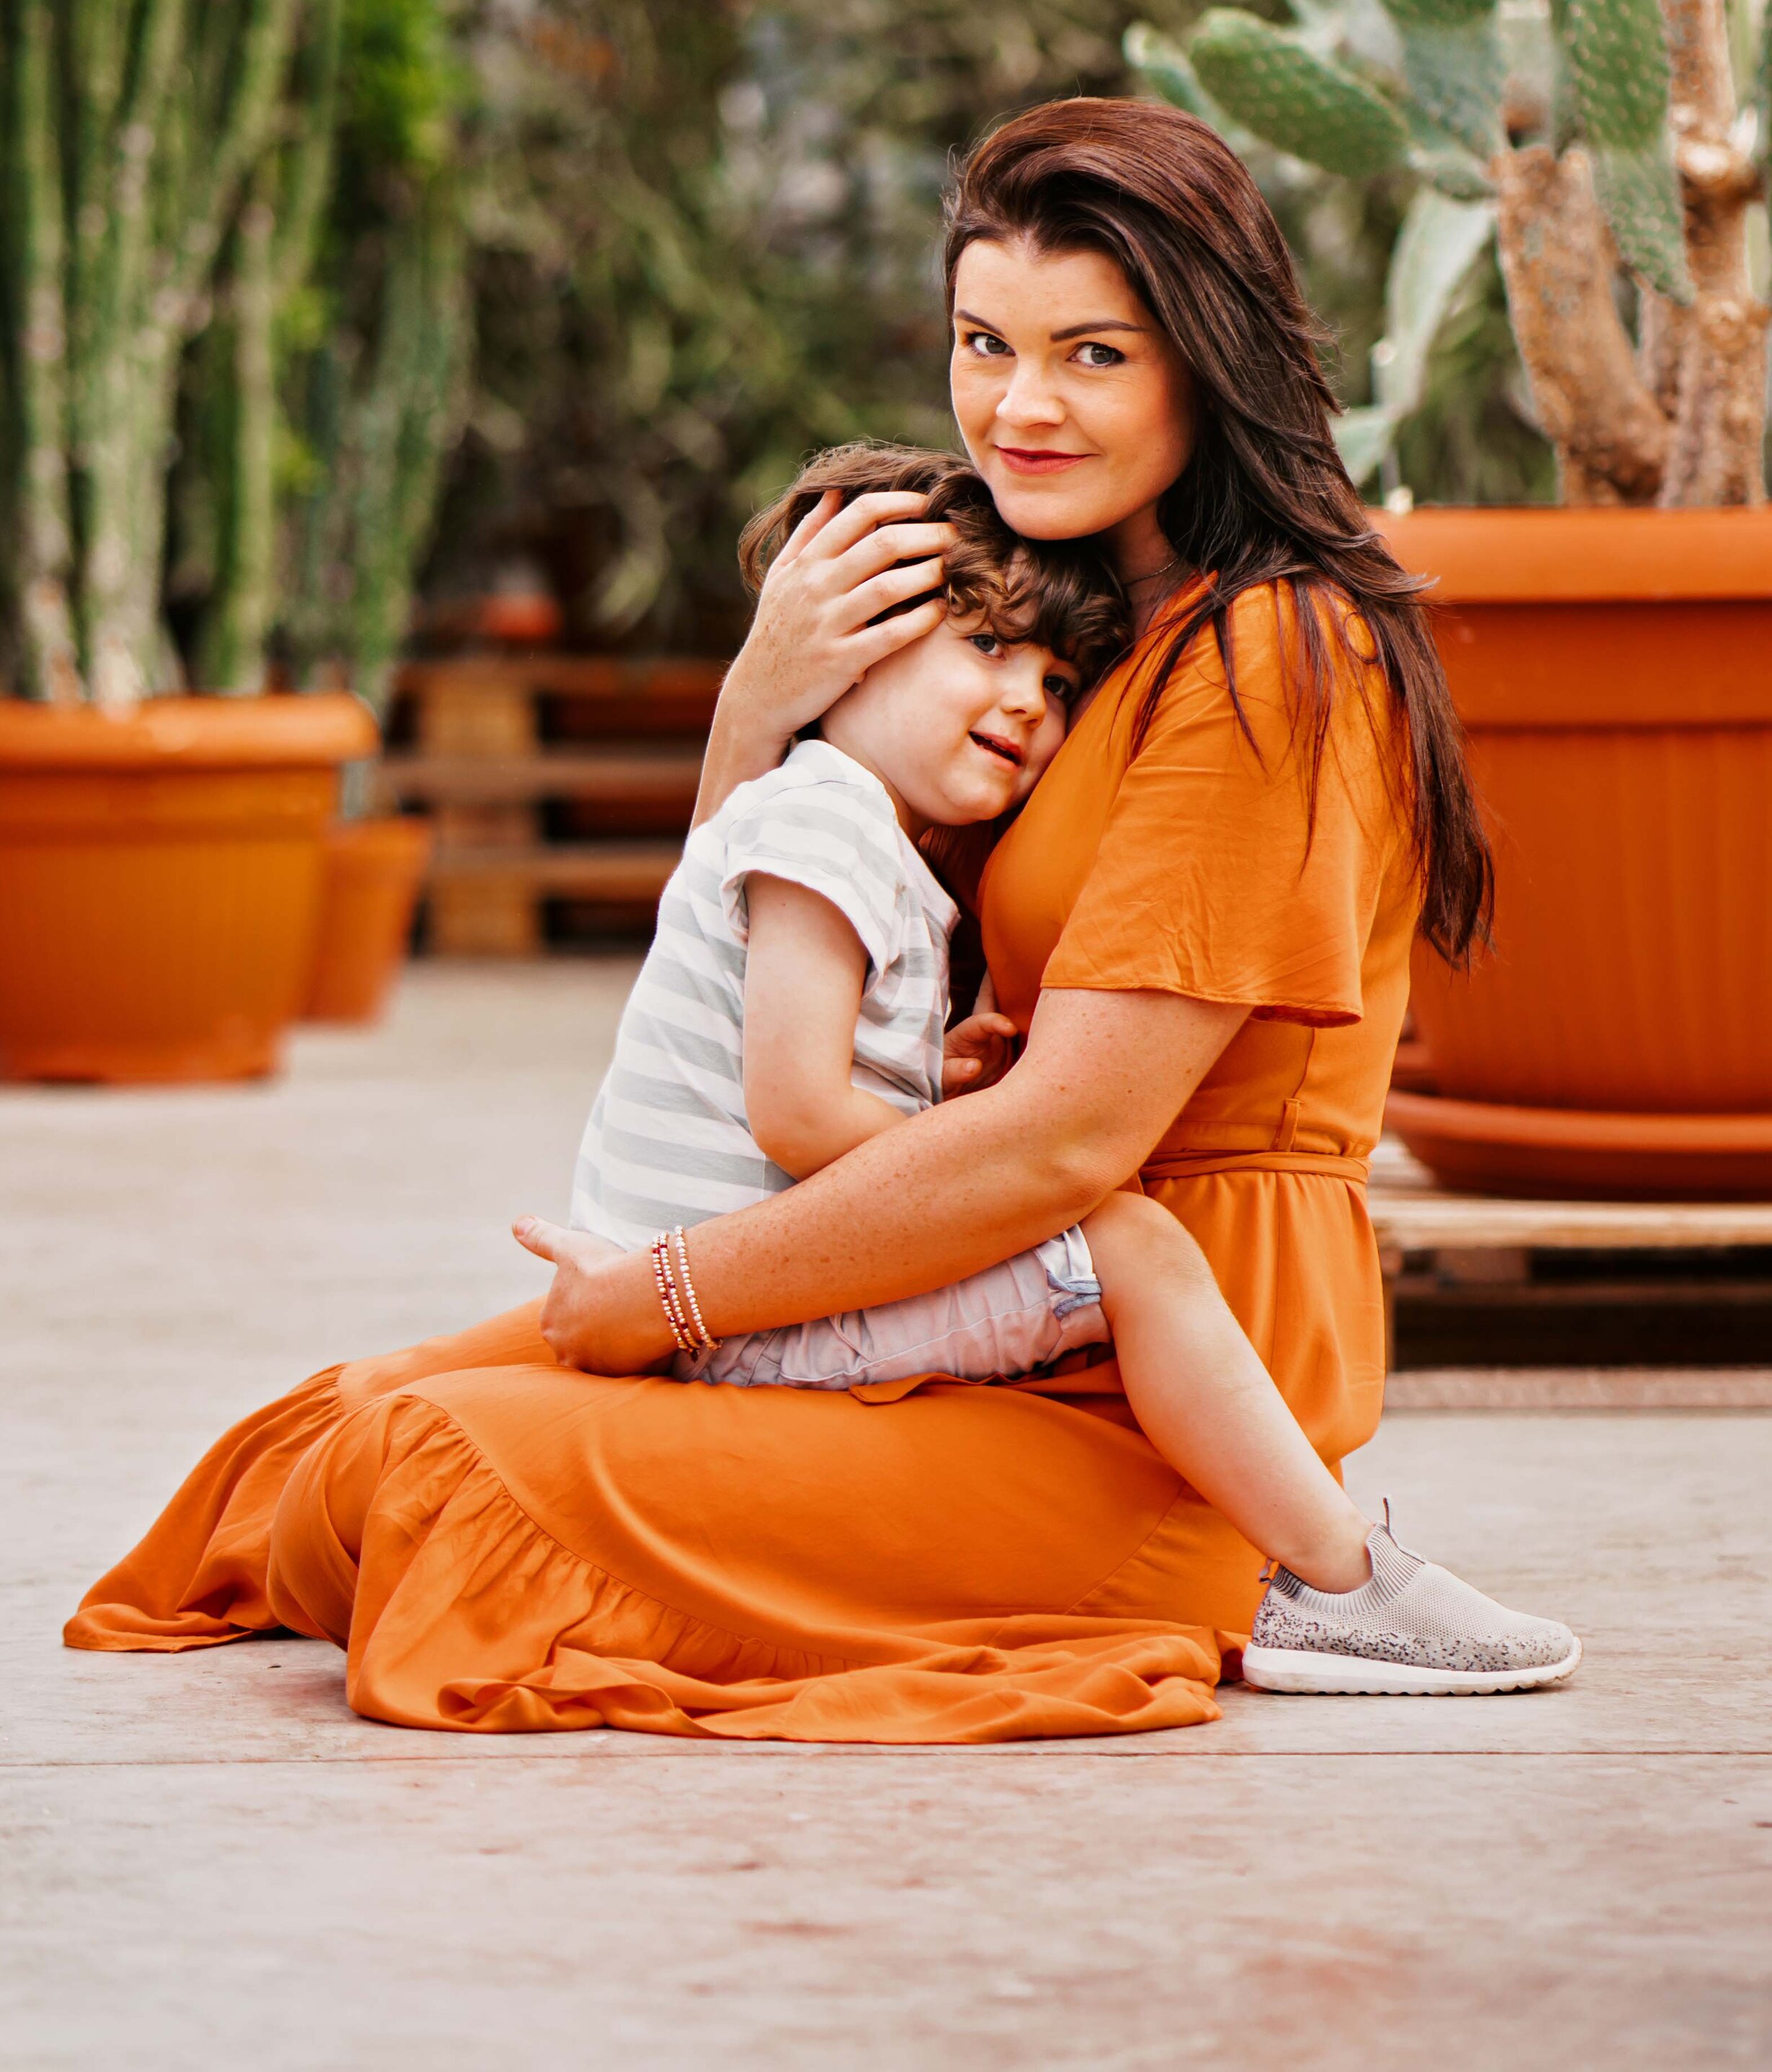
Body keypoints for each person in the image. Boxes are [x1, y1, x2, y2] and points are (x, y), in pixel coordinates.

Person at [67, 98, 1567, 1739]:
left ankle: (1309, 1582)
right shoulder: (1069, 631)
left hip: (1146, 1396)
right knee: (341, 1418)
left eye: (1092, 356)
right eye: (982, 341)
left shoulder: (1267, 655)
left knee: (434, 1462)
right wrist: (757, 704)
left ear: (1206, 366)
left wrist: (682, 1291)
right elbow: (769, 941)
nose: (1018, 404)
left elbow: (1070, 1144)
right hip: (966, 1278)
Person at [522, 440, 1580, 1695]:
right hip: (736, 1291)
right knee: (1127, 1245)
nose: (1029, 700)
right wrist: (991, 1170)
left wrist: (938, 1093)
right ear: (846, 652)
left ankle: (1334, 1577)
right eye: (985, 650)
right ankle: (1343, 1585)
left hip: (733, 1281)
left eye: (1059, 678)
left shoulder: (868, 827)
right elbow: (798, 1109)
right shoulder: (822, 822)